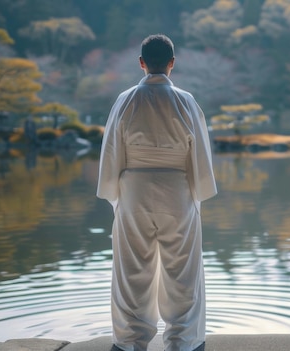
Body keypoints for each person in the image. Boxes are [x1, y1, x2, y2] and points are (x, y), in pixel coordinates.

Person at [97, 34, 217, 351]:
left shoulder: (125, 100)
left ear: (141, 63)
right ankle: (183, 341)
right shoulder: (186, 101)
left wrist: (116, 193)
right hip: (177, 188)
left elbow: (111, 152)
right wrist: (196, 193)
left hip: (133, 188)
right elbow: (201, 158)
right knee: (183, 271)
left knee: (131, 270)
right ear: (172, 63)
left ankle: (129, 342)